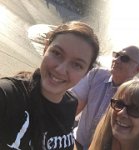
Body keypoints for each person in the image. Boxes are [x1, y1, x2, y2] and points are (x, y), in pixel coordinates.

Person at [0, 21, 99, 150]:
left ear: (86, 72)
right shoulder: (9, 95)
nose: (61, 70)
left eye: (77, 65)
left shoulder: (71, 103)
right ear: (46, 48)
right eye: (57, 53)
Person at [71, 45, 139, 149]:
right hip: (76, 142)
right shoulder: (96, 75)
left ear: (138, 69)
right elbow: (75, 104)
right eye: (116, 55)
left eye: (124, 58)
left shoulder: (137, 96)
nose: (116, 60)